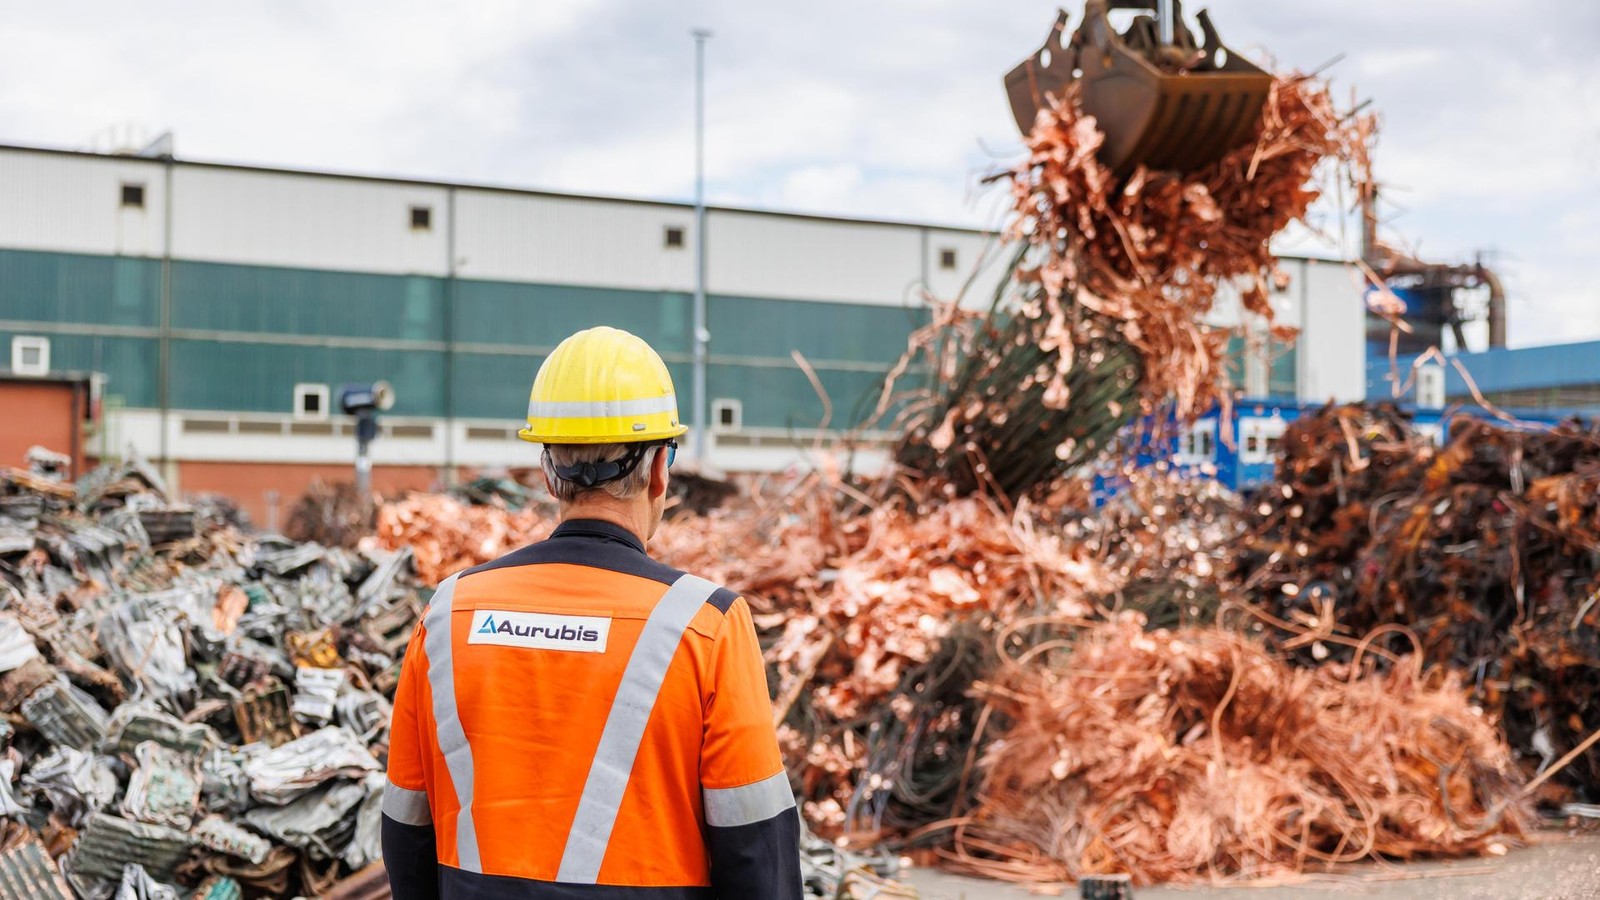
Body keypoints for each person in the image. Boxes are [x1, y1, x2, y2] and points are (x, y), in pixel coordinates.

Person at [382, 326, 802, 899]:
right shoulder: (707, 625)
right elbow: (758, 854)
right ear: (660, 470)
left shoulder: (448, 615)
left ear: (548, 473)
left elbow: (406, 831)